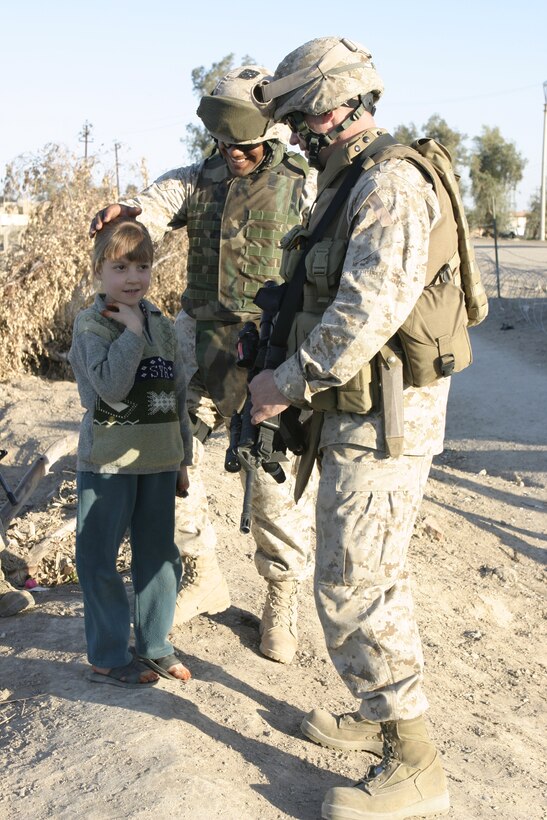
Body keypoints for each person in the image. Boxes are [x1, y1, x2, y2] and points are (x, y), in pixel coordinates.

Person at [249, 37, 452, 818]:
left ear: (338, 103)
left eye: (300, 113)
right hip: (359, 410)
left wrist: (283, 384)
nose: (295, 130)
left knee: (354, 579)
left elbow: (368, 310)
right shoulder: (349, 180)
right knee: (363, 570)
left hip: (384, 418)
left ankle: (415, 765)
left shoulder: (389, 183)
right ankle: (382, 724)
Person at [90, 66, 317, 666]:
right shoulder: (200, 178)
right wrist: (128, 210)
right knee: (171, 458)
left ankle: (281, 595)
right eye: (224, 143)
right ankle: (203, 570)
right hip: (196, 342)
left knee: (271, 478)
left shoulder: (308, 184)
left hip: (272, 346)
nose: (233, 154)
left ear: (269, 135)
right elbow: (158, 203)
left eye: (243, 144)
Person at [69, 219, 193, 687]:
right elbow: (107, 387)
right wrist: (132, 333)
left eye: (142, 265)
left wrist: (184, 460)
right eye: (120, 267)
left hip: (160, 462)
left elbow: (178, 394)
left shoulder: (162, 324)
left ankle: (155, 645)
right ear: (100, 269)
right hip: (108, 463)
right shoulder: (92, 324)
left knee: (159, 556)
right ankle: (106, 653)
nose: (133, 278)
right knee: (99, 556)